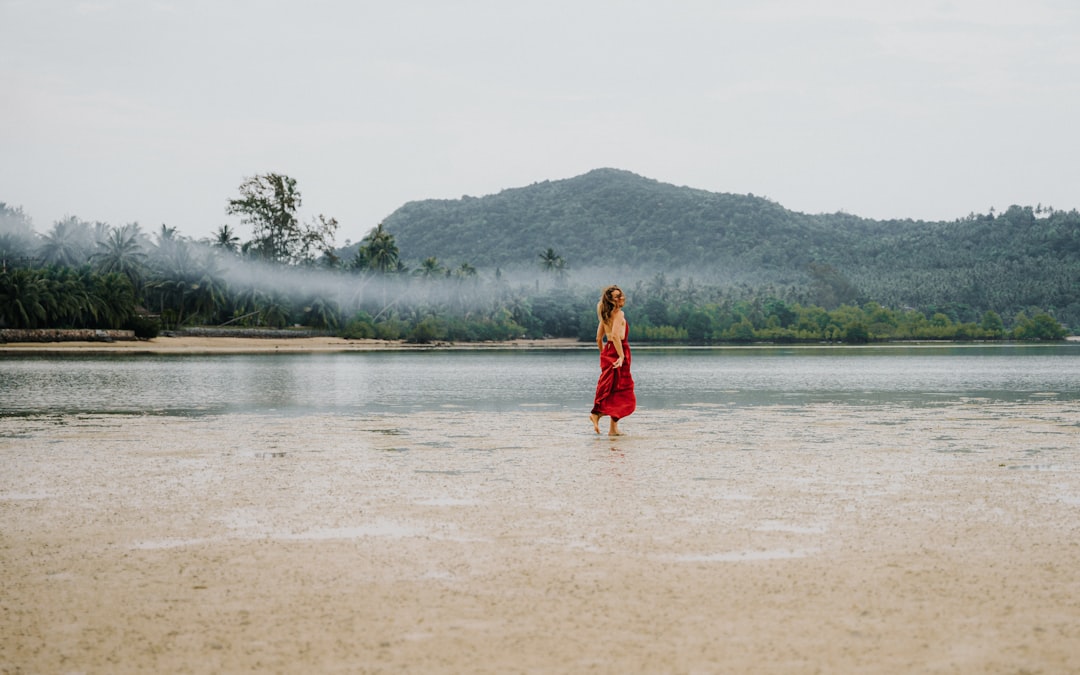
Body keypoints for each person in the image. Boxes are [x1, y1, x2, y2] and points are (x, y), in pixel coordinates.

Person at [590, 285, 636, 435]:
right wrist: (621, 356)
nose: (621, 297)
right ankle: (596, 414)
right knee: (622, 389)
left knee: (614, 389)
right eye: (617, 296)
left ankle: (613, 429)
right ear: (611, 300)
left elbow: (598, 338)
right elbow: (615, 336)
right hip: (618, 351)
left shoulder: (605, 315)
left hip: (610, 351)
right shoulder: (618, 314)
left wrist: (604, 354)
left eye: (621, 294)